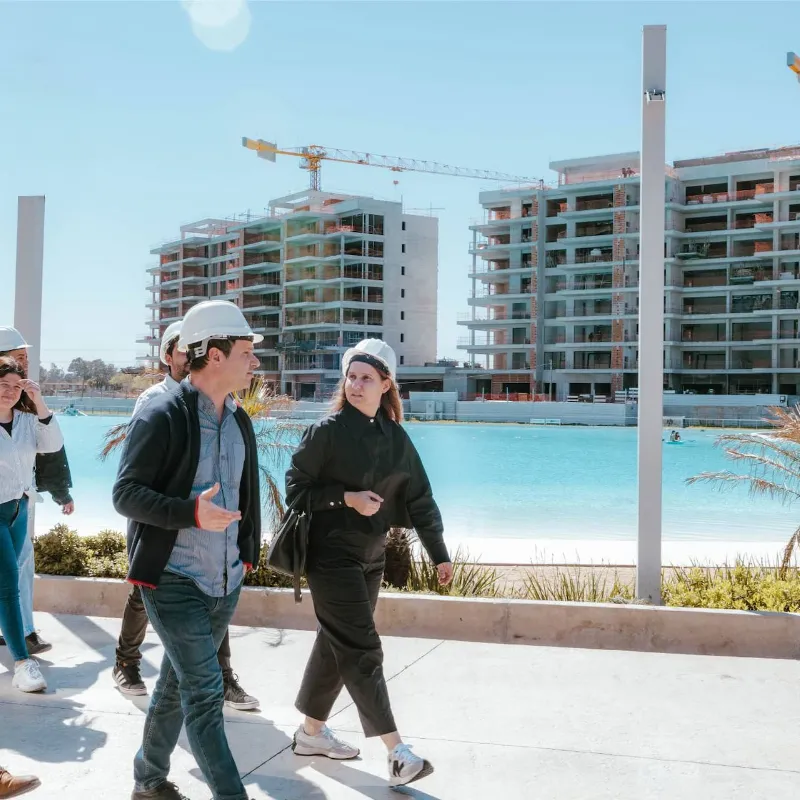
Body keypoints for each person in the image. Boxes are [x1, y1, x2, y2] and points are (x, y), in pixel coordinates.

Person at [285, 338, 453, 789]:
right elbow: (296, 490)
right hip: (329, 555)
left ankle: (310, 734)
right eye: (351, 377)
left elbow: (420, 498)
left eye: (366, 378)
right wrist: (347, 498)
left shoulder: (395, 437)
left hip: (371, 557)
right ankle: (397, 753)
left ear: (386, 385)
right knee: (362, 648)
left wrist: (438, 553)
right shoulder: (326, 431)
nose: (356, 385)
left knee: (335, 643)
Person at [113, 300, 262, 800]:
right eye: (246, 352)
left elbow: (246, 494)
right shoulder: (161, 414)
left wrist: (246, 555)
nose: (254, 362)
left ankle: (148, 780)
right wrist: (190, 513)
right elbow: (125, 495)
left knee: (176, 685)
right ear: (214, 355)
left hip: (226, 583)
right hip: (173, 580)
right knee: (205, 695)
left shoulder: (239, 420)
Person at [0, 326, 74, 657]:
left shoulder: (26, 404)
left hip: (19, 503)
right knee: (14, 570)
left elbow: (49, 451)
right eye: (18, 356)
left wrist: (61, 493)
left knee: (19, 566)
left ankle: (21, 631)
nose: (25, 362)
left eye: (25, 357)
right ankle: (22, 639)